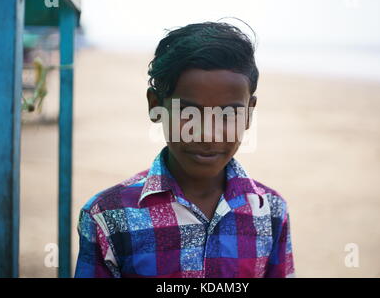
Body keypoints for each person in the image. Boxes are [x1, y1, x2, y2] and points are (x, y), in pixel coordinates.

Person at [74, 20, 295, 278]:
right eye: (188, 113)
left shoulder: (271, 211)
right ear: (155, 105)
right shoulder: (107, 216)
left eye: (228, 114)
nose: (208, 135)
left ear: (249, 114)